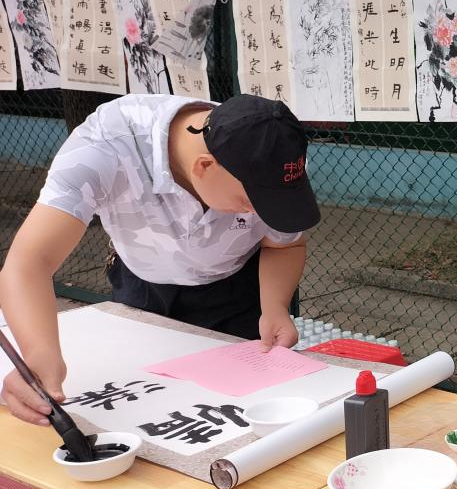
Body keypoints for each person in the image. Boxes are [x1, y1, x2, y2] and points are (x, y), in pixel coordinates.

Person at [0, 94, 320, 427]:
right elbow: (28, 263)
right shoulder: (105, 145)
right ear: (204, 167)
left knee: (238, 417)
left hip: (236, 290)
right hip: (143, 288)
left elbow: (283, 245)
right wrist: (38, 354)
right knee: (146, 413)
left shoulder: (276, 158)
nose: (257, 213)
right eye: (248, 202)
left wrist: (274, 307)